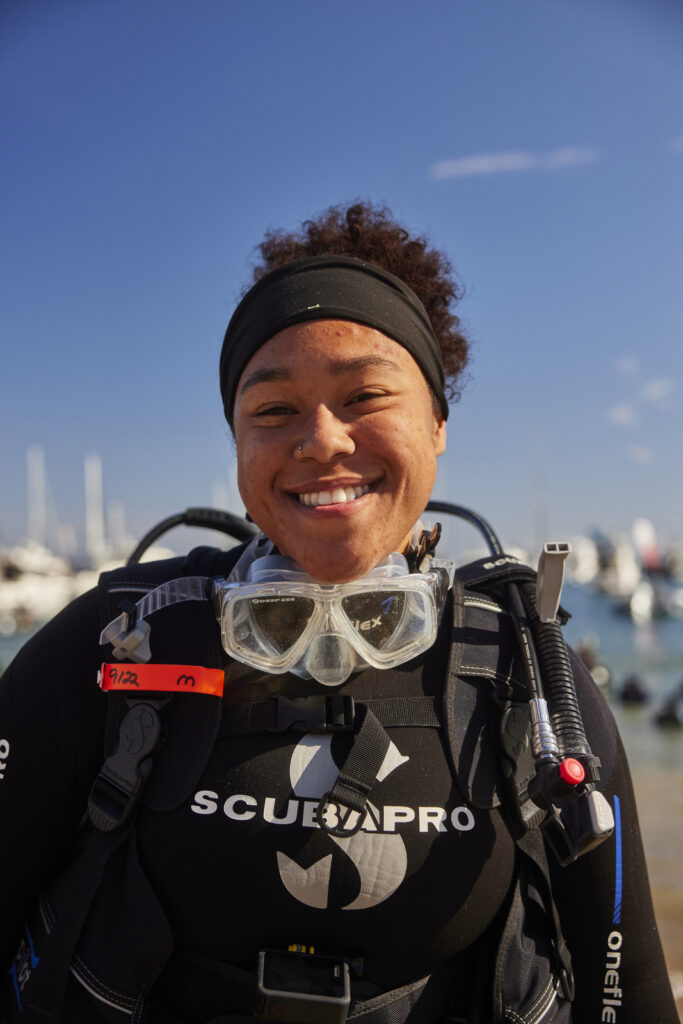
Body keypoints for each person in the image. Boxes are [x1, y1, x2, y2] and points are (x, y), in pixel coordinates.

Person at [0, 202, 678, 1024]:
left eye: (364, 396)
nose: (320, 440)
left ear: (436, 424)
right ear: (237, 446)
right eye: (273, 411)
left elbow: (630, 987)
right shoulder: (112, 642)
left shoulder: (525, 671)